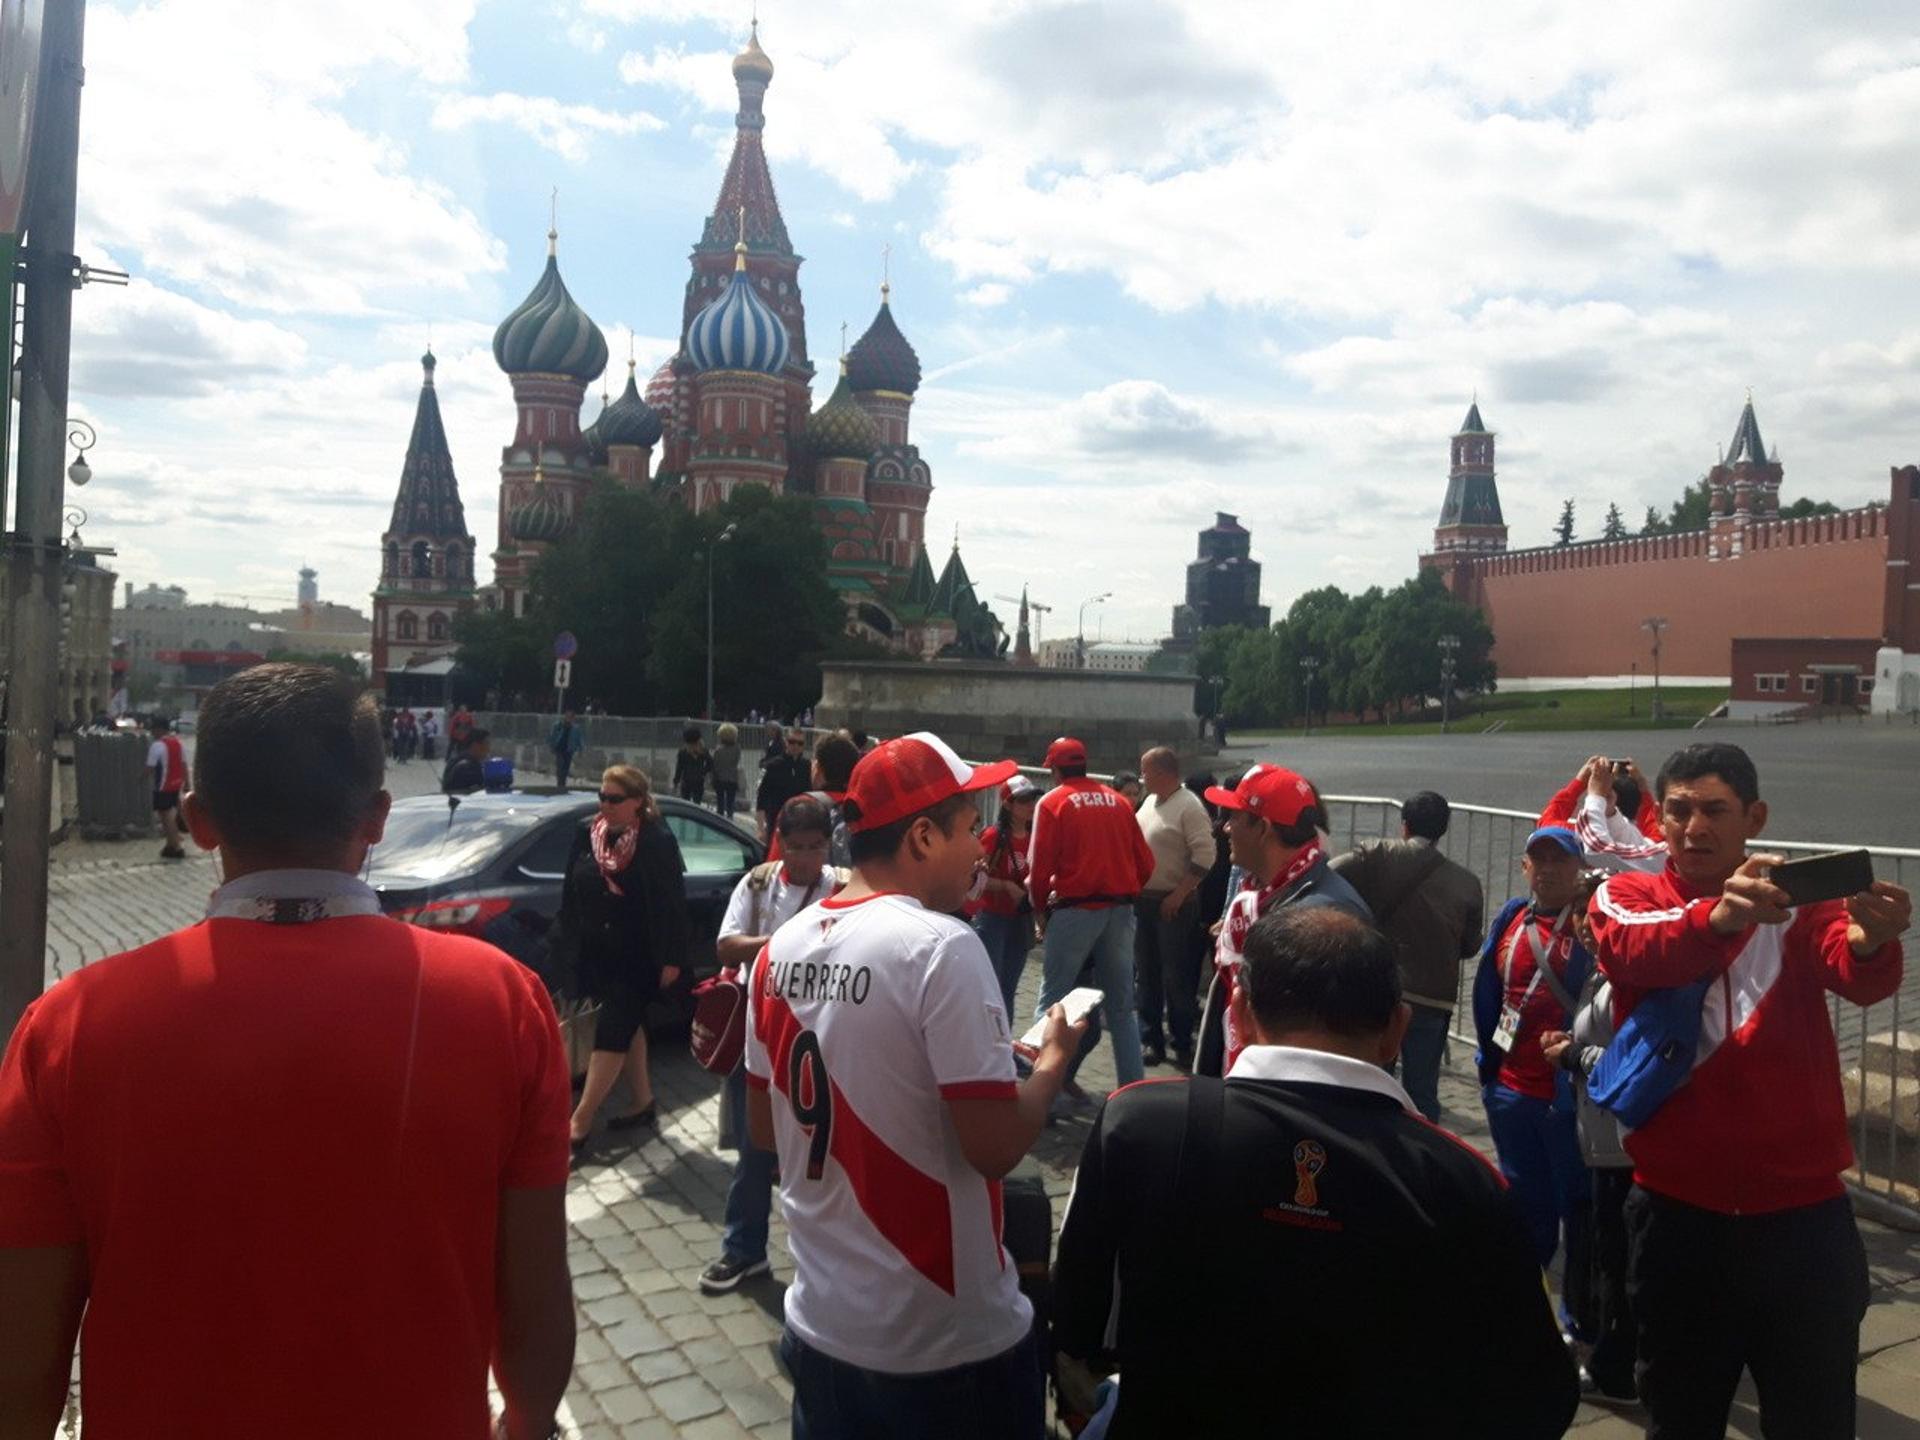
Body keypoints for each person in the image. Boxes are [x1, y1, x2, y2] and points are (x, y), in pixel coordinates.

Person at [0, 663, 574, 1439]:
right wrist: (529, 1423)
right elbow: (535, 1306)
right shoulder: (504, 1003)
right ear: (376, 817)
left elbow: (23, 1365)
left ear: (200, 821)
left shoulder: (68, 1026)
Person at [1052, 906, 1579, 1439]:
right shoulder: (1463, 1179)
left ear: (1238, 1011)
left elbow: (1076, 1322)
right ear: (1398, 1027)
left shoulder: (1137, 1124)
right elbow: (1539, 1398)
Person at [743, 732, 1088, 1438]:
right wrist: (1054, 1060)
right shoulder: (940, 947)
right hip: (941, 1343)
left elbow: (758, 1129)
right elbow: (993, 1146)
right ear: (924, 837)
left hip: (821, 1325)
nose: (984, 847)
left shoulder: (778, 950)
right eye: (970, 829)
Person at [1587, 742, 1909, 1438]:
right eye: (1677, 810)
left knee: (1816, 1418)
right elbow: (1634, 945)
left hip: (1804, 1222)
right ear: (1660, 818)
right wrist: (1721, 917)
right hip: (1678, 1217)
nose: (1693, 828)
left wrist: (1871, 942)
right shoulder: (1627, 891)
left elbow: (1858, 976)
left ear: (1753, 817)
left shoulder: (1800, 902)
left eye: (1714, 811)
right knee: (1680, 1416)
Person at [700, 796, 846, 1296]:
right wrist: (783, 944)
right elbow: (724, 945)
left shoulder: (843, 886)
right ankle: (744, 1250)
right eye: (796, 847)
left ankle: (827, 1264)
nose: (805, 858)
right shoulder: (759, 883)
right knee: (754, 1148)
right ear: (779, 842)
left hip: (822, 1034)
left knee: (823, 1153)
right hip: (760, 1034)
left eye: (815, 847)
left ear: (828, 844)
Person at [1470, 825, 1593, 1326]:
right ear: (1524, 868)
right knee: (1526, 1208)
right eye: (1537, 860)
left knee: (1579, 1214)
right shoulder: (1511, 918)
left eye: (1559, 860)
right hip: (1511, 1091)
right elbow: (1486, 994)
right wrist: (1489, 1071)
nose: (1547, 869)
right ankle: (1521, 1308)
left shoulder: (1591, 926)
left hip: (1568, 1100)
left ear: (1579, 868)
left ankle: (1578, 1317)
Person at [1195, 765, 1370, 1078]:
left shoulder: (1325, 919)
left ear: (1262, 829)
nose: (1224, 828)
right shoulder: (1256, 896)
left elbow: (1329, 1049)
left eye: (1233, 817)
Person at [1539, 869, 1639, 1407]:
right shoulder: (1603, 970)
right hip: (1600, 1139)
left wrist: (1572, 1056)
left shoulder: (1629, 977)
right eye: (1581, 914)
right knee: (1608, 1253)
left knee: (1618, 1261)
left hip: (1622, 1145)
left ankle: (1617, 1373)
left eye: (1598, 914)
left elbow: (1636, 1064)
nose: (1585, 924)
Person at [554, 764, 690, 1152]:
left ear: (638, 804)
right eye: (602, 797)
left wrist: (671, 958)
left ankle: (580, 1119)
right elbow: (571, 891)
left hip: (639, 954)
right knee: (630, 1025)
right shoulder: (587, 833)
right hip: (600, 950)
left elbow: (670, 904)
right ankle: (642, 1100)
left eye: (615, 799)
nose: (605, 806)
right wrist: (568, 941)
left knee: (612, 1029)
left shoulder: (655, 840)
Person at [1330, 790, 1485, 1122]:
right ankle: (1424, 1155)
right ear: (1442, 830)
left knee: (1369, 1077)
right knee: (1422, 1089)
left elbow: (1327, 878)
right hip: (1433, 996)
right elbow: (1470, 946)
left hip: (1379, 984)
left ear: (1404, 825)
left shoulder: (1375, 854)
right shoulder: (1468, 883)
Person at [1028, 736, 1157, 1091]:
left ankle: (1042, 1094)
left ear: (1055, 770)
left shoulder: (1053, 802)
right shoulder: (1118, 802)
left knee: (1051, 1002)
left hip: (1074, 910)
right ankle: (1134, 1090)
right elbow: (1146, 863)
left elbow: (1038, 869)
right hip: (1120, 910)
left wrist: (1040, 911)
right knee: (1121, 1010)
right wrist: (1127, 890)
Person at [1132, 746, 1217, 1071]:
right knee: (1147, 973)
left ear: (1164, 772)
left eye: (1146, 771)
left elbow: (1205, 855)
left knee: (1175, 977)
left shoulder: (1190, 806)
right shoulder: (1150, 803)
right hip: (1146, 901)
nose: (1141, 777)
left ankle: (1182, 1040)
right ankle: (1150, 1037)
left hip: (1174, 904)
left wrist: (1179, 894)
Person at [971, 774, 1041, 1017]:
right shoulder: (994, 836)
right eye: (1024, 801)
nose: (1031, 805)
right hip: (993, 918)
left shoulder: (1036, 835)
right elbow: (975, 878)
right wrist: (1006, 887)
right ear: (1008, 805)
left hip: (1021, 918)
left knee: (1009, 988)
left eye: (1033, 799)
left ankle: (1005, 1043)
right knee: (991, 987)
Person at [754, 728, 810, 840]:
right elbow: (761, 797)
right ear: (786, 742)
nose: (795, 746)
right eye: (792, 742)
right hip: (776, 820)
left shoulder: (807, 766)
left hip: (800, 822)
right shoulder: (773, 765)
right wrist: (761, 828)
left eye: (800, 743)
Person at [146, 714, 187, 859]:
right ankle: (170, 845)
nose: (151, 732)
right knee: (170, 815)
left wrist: (139, 778)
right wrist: (187, 784)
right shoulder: (178, 743)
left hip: (162, 786)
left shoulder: (157, 745)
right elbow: (184, 765)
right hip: (176, 785)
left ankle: (176, 846)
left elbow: (150, 768)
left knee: (166, 816)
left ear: (159, 729)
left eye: (152, 729)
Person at [443, 728, 490, 795]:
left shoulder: (455, 760)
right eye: (487, 744)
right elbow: (481, 793)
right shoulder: (469, 766)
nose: (488, 749)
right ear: (475, 745)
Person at [674, 724, 712, 805]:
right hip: (698, 780)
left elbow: (679, 768)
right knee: (697, 804)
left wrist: (676, 781)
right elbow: (710, 763)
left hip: (686, 780)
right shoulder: (703, 751)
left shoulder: (683, 752)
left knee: (685, 803)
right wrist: (703, 772)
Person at [711, 721, 742, 817]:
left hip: (720, 778)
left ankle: (720, 819)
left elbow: (715, 765)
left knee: (720, 802)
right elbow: (736, 761)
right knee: (730, 802)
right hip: (732, 777)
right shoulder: (737, 749)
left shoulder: (718, 750)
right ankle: (730, 817)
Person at [548, 710, 585, 789]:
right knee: (560, 767)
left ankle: (562, 784)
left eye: (571, 717)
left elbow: (579, 739)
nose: (569, 719)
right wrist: (551, 746)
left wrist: (581, 750)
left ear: (573, 718)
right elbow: (552, 736)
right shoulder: (558, 725)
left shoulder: (575, 728)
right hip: (559, 749)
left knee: (565, 768)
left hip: (569, 750)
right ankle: (559, 784)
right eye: (567, 717)